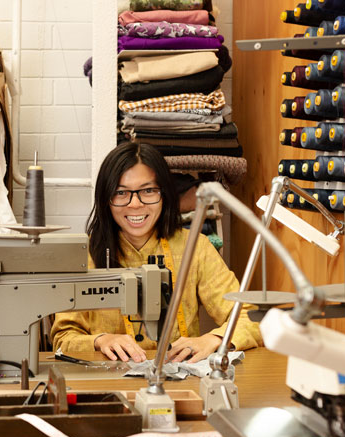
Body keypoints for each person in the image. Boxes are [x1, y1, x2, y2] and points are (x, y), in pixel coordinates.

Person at [51, 143, 261, 363]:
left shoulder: (195, 248)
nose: (135, 204)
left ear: (164, 194)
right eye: (121, 192)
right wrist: (101, 340)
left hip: (179, 379)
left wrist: (214, 338)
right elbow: (63, 338)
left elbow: (249, 317)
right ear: (106, 199)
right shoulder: (83, 257)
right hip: (107, 378)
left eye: (148, 191)